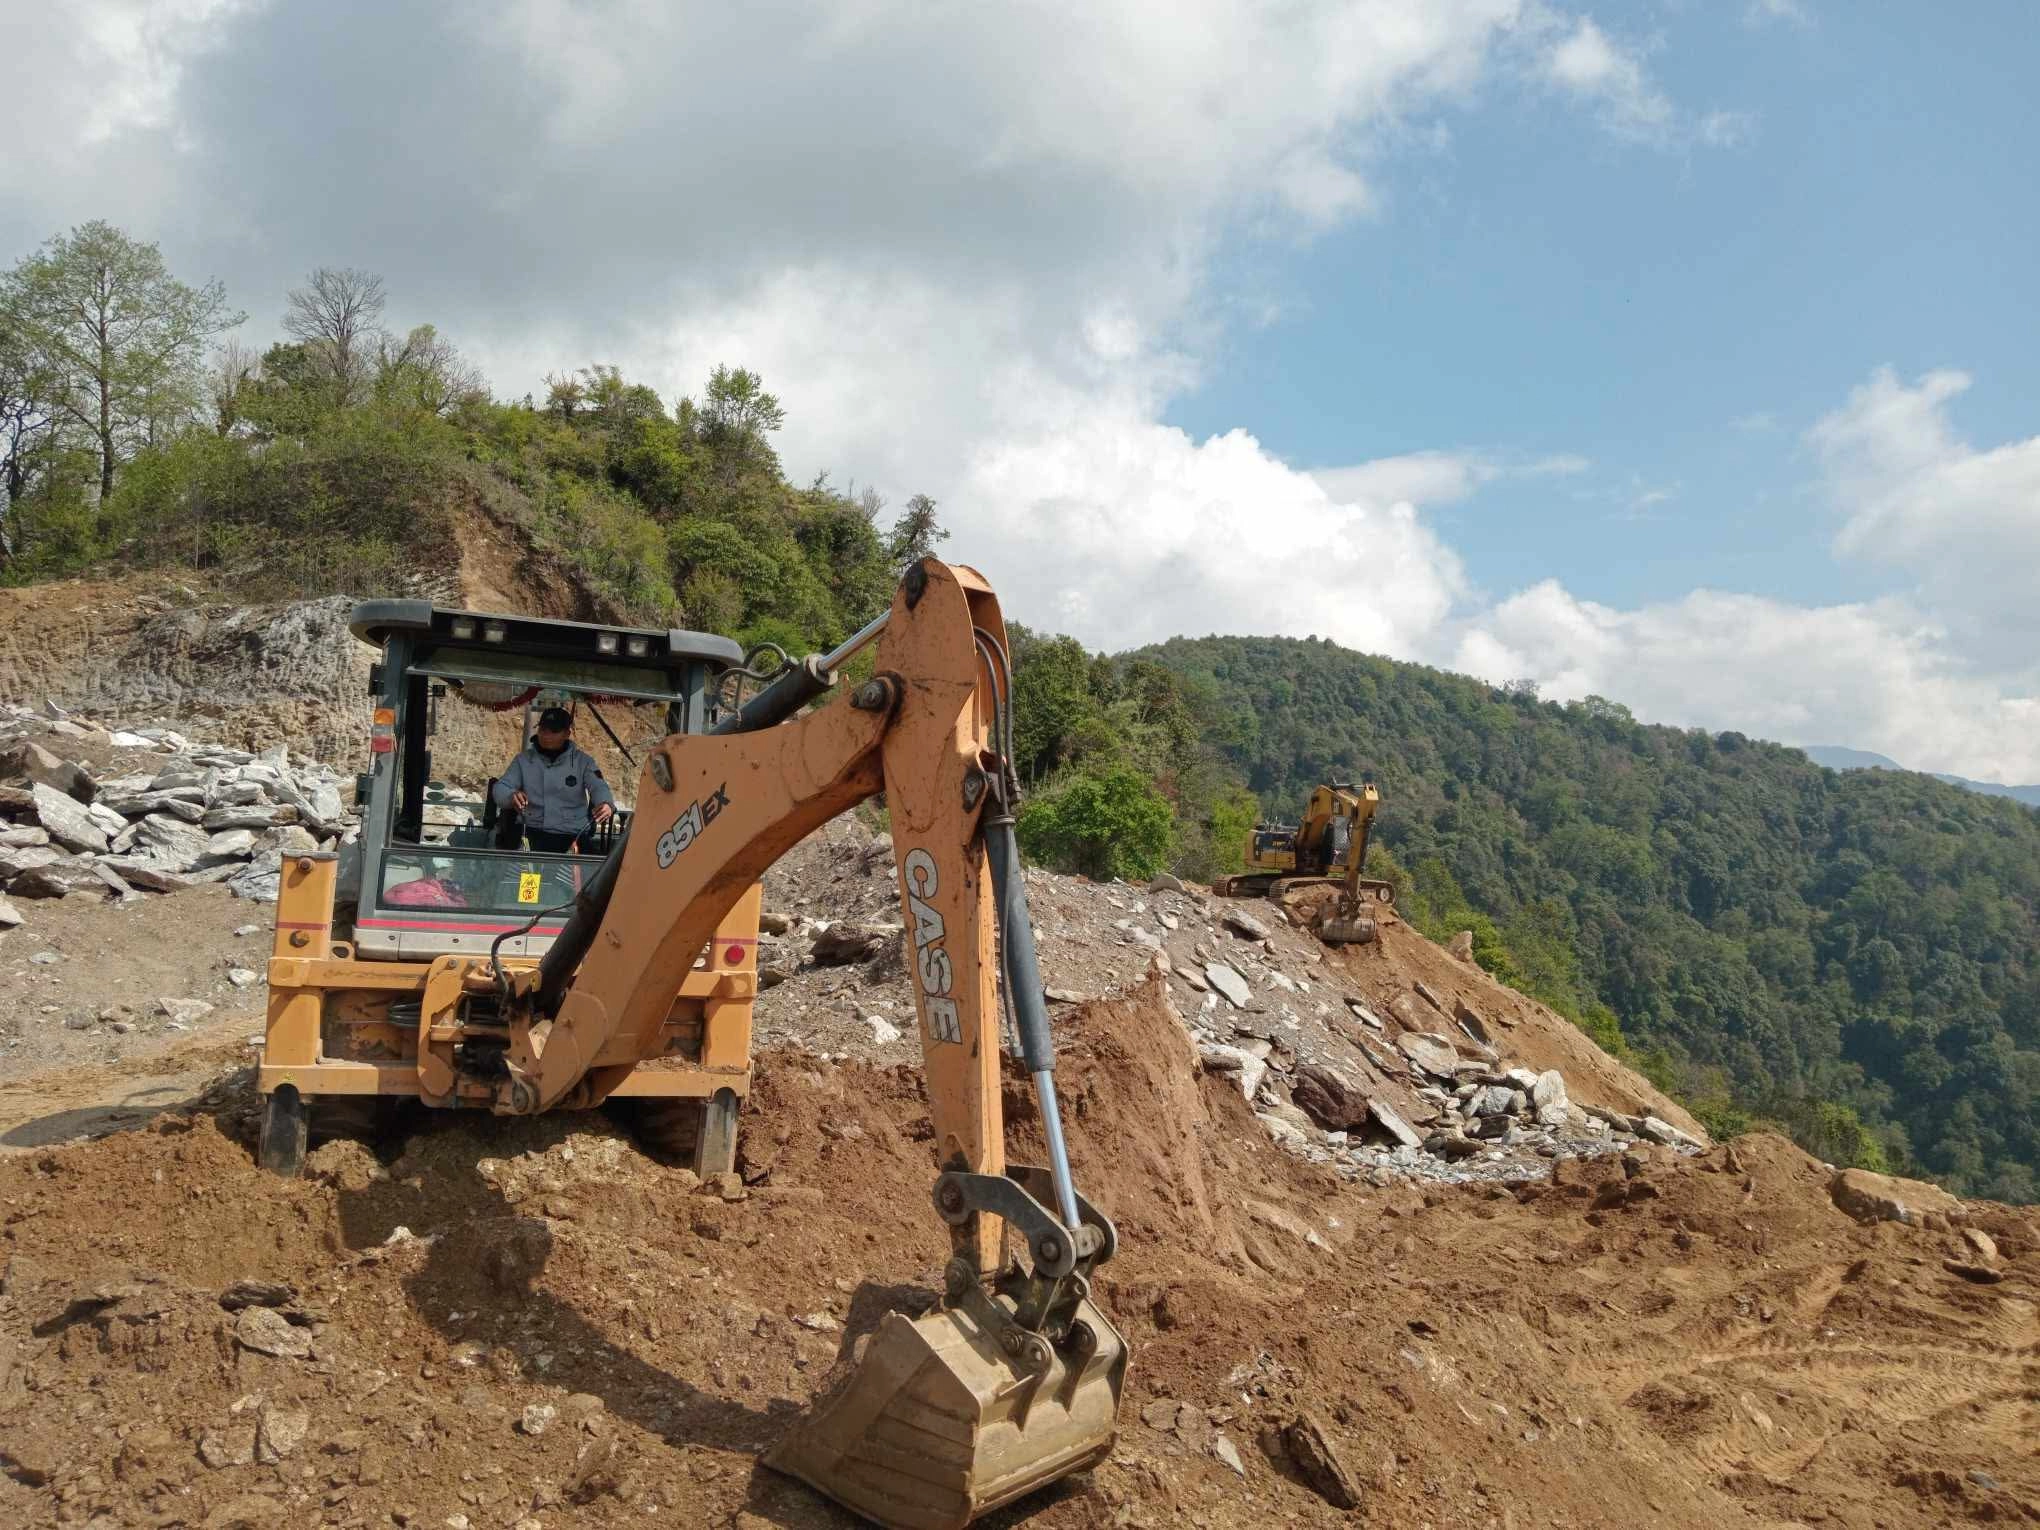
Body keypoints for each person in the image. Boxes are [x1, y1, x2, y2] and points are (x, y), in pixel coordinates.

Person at [492, 706, 615, 852]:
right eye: (543, 730)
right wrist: (511, 795)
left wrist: (606, 803)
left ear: (567, 733)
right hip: (530, 832)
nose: (547, 735)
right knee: (518, 872)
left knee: (584, 873)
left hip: (572, 835)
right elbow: (500, 788)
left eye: (554, 731)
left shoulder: (584, 762)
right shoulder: (523, 760)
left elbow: (599, 786)